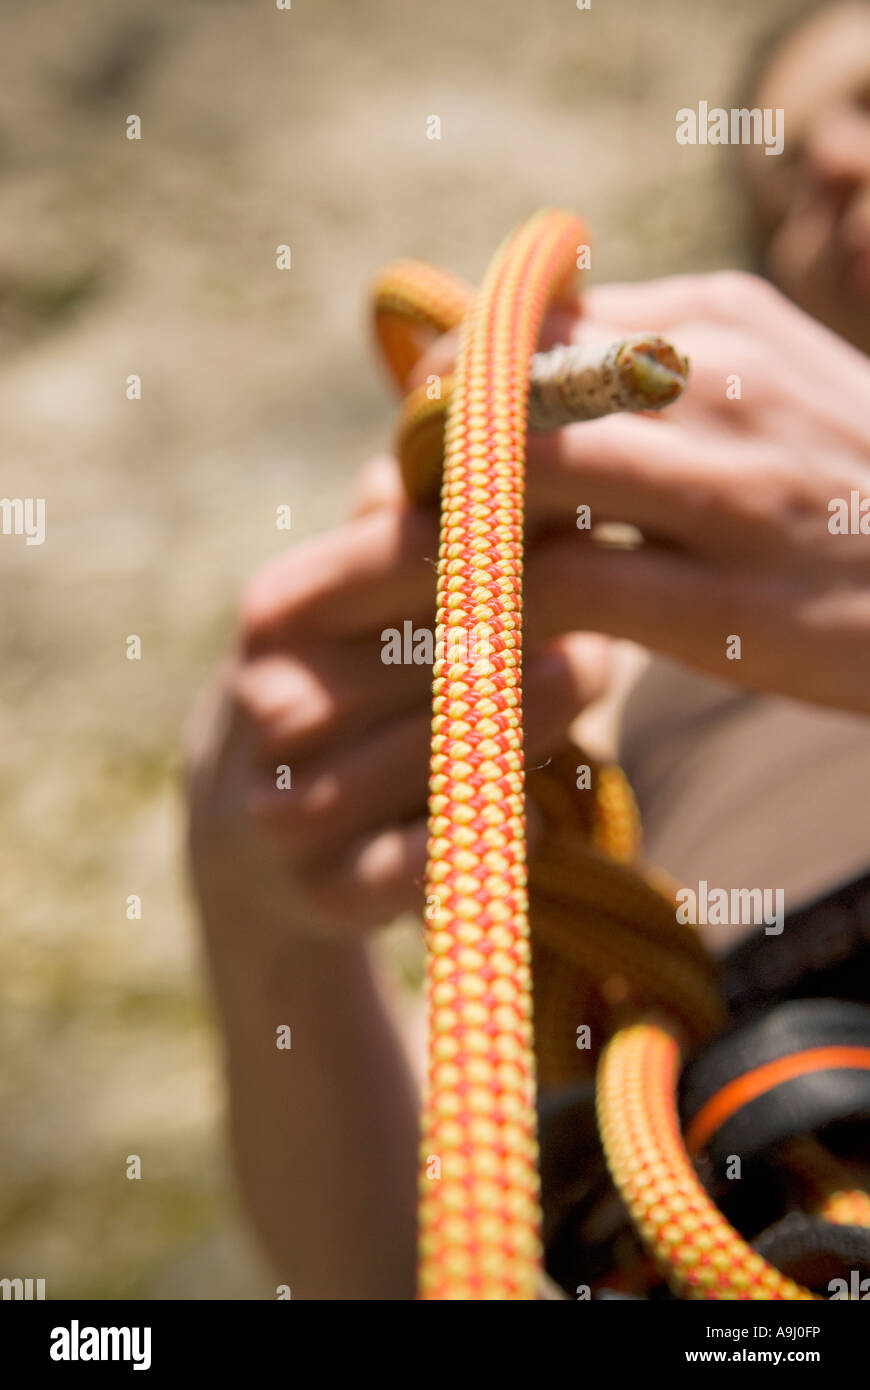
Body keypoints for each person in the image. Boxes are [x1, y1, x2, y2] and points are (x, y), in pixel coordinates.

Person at [185, 0, 870, 1299]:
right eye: (777, 178)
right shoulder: (614, 659)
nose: (829, 166)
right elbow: (392, 1269)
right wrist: (260, 916)